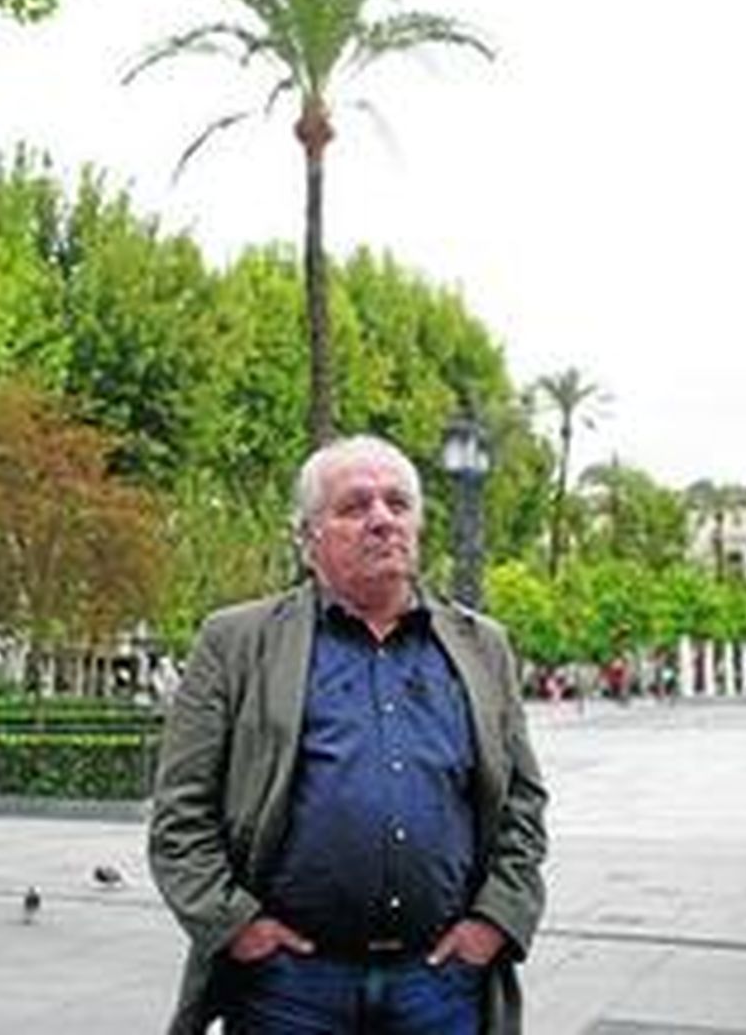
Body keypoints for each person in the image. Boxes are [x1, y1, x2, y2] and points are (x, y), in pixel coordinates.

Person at [149, 435, 548, 1034]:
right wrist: (237, 928)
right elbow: (181, 814)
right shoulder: (237, 642)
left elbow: (521, 801)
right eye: (355, 505)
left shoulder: (481, 646)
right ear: (308, 538)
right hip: (290, 988)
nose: (382, 519)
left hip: (439, 984)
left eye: (397, 503)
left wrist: (495, 922)